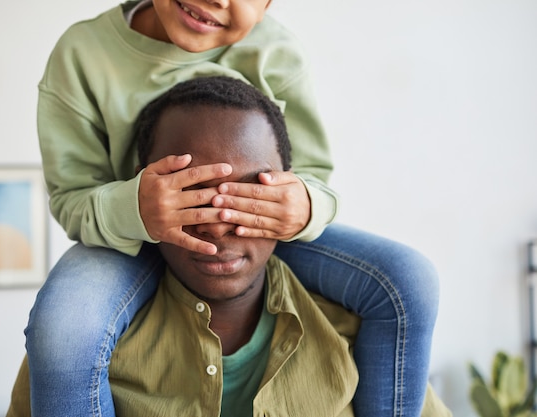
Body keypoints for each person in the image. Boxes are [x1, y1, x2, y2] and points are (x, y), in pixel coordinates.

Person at [25, 0, 440, 416]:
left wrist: (304, 204)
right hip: (126, 239)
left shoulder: (275, 51)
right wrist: (136, 208)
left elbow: (313, 176)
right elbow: (72, 197)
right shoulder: (83, 54)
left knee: (408, 280)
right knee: (63, 328)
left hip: (261, 229)